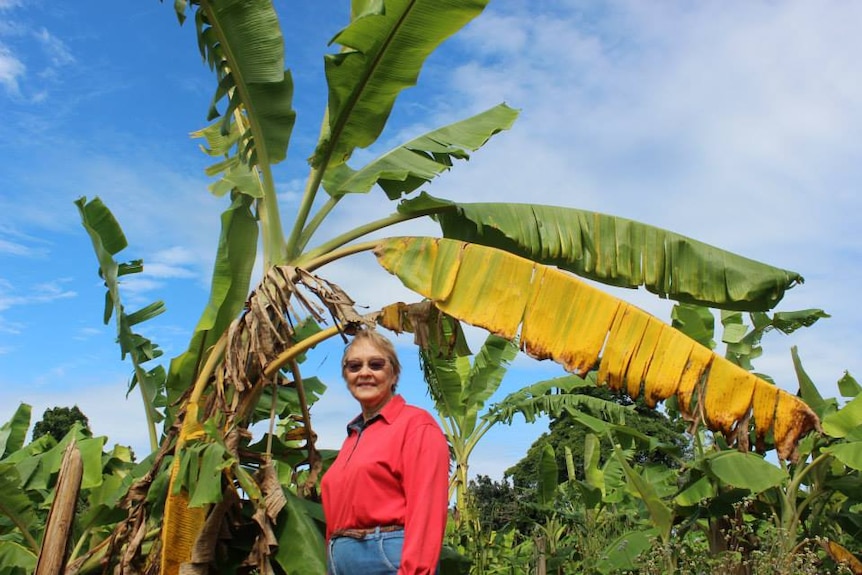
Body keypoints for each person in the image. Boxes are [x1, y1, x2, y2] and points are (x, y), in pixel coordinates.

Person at [321, 328, 450, 575]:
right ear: (346, 376)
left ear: (394, 374)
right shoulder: (353, 436)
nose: (365, 373)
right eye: (354, 366)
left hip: (384, 560)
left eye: (376, 364)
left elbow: (426, 511)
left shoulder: (415, 425)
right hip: (340, 562)